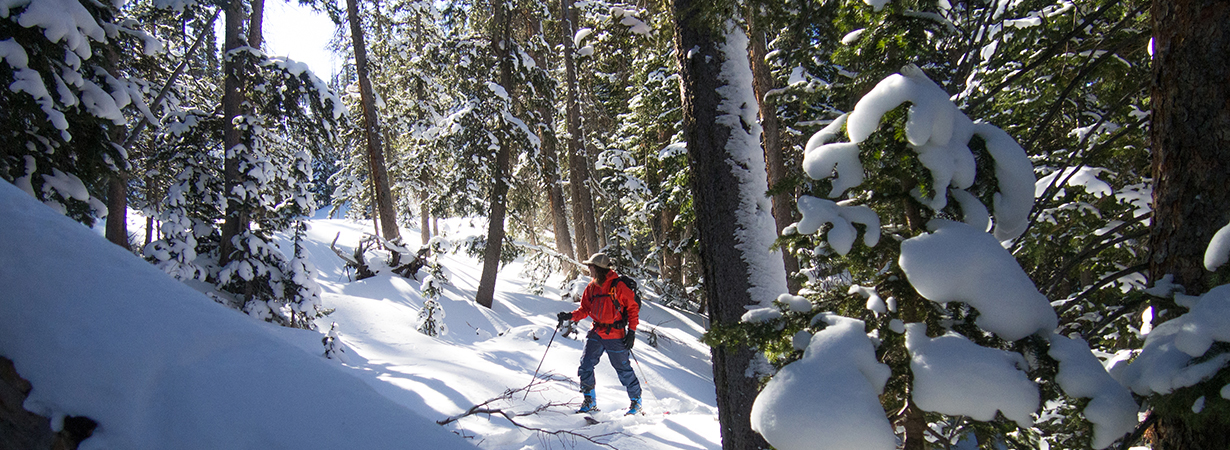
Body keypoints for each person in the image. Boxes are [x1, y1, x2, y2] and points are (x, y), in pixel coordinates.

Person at [557, 252, 642, 415]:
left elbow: (632, 309)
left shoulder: (618, 286)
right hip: (596, 332)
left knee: (623, 369)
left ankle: (636, 402)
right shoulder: (591, 287)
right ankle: (589, 400)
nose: (589, 269)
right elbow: (584, 310)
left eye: (591, 266)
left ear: (599, 268)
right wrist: (570, 316)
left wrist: (631, 332)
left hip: (615, 334)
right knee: (585, 365)